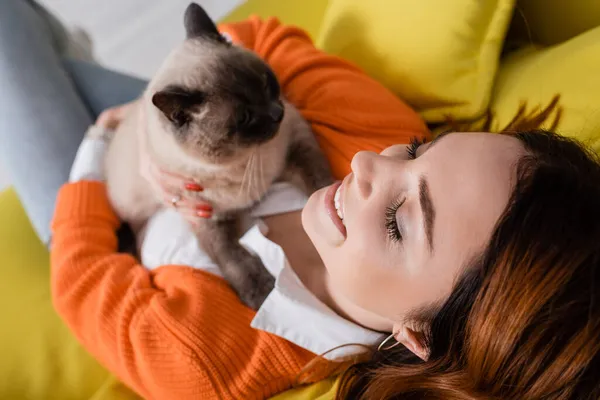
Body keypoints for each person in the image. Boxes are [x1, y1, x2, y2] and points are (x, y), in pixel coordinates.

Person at [2, 2, 599, 400]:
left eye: (397, 222)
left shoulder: (210, 356)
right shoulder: (371, 134)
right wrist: (160, 139)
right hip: (201, 124)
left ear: (417, 335)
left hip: (101, 210)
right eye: (417, 151)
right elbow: (261, 39)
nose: (370, 165)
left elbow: (81, 282)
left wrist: (100, 144)